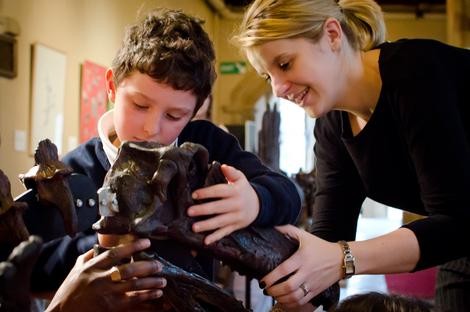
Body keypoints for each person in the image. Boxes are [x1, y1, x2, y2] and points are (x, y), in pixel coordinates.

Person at [30, 7, 301, 309]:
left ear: (195, 111)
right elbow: (33, 265)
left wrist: (256, 201)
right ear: (111, 87)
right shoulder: (74, 175)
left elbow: (289, 194)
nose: (151, 128)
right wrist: (100, 246)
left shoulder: (208, 145)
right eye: (139, 105)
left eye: (174, 115)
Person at [233, 0, 470, 311]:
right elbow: (329, 238)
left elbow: (457, 223)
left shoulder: (416, 73)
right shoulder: (332, 126)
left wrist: (343, 259)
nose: (278, 88)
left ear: (332, 35)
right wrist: (298, 291)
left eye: (285, 64)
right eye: (268, 76)